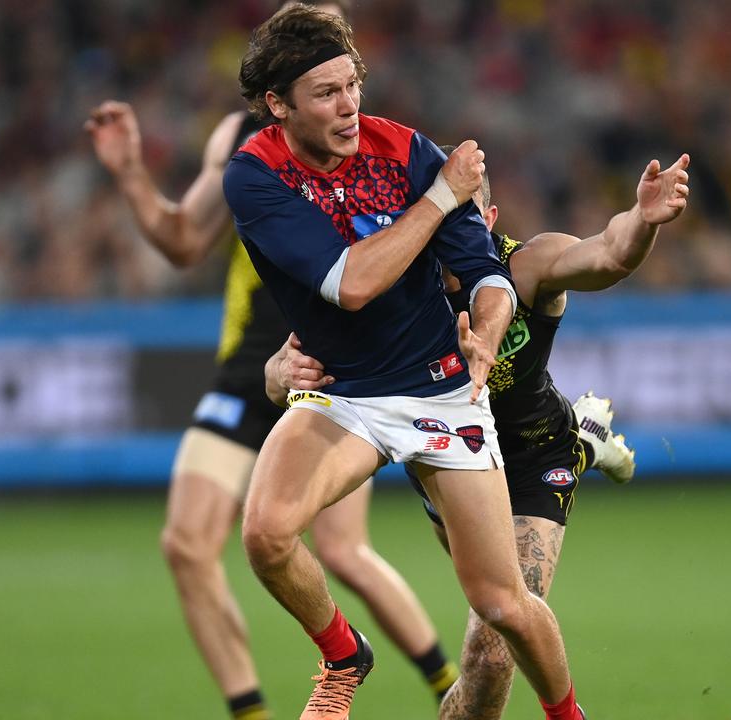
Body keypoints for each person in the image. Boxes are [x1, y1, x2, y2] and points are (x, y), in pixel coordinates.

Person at [83, 4, 457, 719]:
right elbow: (186, 241)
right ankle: (252, 711)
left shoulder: (373, 145)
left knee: (344, 553)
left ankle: (446, 687)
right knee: (187, 544)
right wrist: (130, 172)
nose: (340, 91)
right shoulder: (245, 147)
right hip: (252, 366)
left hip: (336, 369)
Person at [223, 6, 592, 719]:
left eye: (352, 83)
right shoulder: (256, 176)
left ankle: (567, 716)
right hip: (347, 395)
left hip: (440, 393)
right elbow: (351, 283)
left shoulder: (405, 150)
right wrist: (442, 195)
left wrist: (486, 330)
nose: (349, 104)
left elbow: (485, 272)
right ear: (278, 105)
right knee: (266, 533)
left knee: (503, 606)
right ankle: (342, 653)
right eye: (325, 93)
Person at [268, 147, 692, 719]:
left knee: (490, 655)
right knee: (486, 656)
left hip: (531, 461)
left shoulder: (527, 266)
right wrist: (278, 374)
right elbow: (287, 377)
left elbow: (609, 253)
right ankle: (590, 439)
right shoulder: (387, 291)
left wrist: (642, 221)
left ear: (486, 223)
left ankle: (577, 444)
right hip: (450, 463)